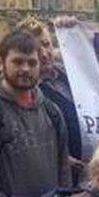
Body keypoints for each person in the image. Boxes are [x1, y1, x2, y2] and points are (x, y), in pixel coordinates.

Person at [0, 29, 73, 197]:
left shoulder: (52, 112)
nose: (25, 69)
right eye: (17, 62)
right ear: (2, 62)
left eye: (32, 63)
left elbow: (63, 169)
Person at [16, 16, 83, 170]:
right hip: (59, 175)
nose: (45, 54)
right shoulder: (23, 92)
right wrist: (57, 157)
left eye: (46, 45)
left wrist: (76, 32)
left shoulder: (73, 74)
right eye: (36, 50)